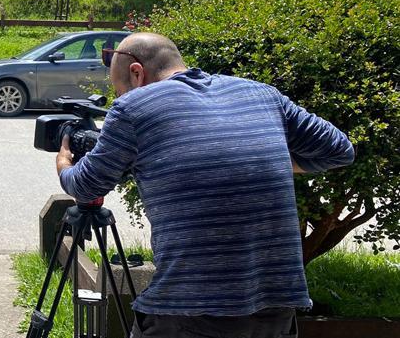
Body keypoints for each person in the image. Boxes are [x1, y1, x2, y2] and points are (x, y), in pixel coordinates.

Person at [57, 32, 354, 338]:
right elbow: (338, 149)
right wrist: (262, 157)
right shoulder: (263, 95)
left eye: (120, 92)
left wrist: (64, 162)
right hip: (276, 310)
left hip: (189, 312)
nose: (121, 99)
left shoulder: (133, 108)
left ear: (136, 73)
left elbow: (87, 185)